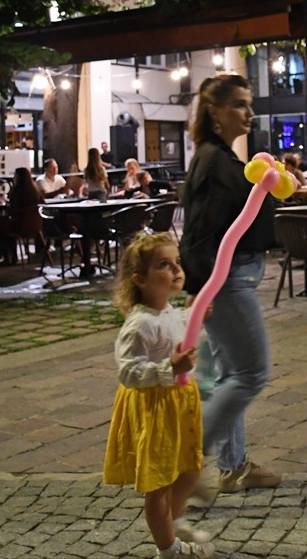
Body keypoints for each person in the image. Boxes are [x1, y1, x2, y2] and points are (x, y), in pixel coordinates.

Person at [179, 73, 281, 494]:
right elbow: (200, 232)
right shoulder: (214, 162)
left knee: (230, 375)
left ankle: (233, 467)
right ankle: (189, 467)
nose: (249, 112)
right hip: (227, 280)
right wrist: (203, 291)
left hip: (231, 277)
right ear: (214, 111)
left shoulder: (218, 157)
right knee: (252, 373)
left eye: (248, 103)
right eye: (239, 104)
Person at [103, 233, 213, 559]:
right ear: (140, 280)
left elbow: (175, 327)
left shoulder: (167, 311)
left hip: (180, 400)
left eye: (176, 262)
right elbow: (128, 371)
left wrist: (193, 316)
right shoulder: (139, 324)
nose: (176, 270)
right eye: (164, 265)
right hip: (155, 405)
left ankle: (172, 523)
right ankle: (167, 549)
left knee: (189, 469)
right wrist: (168, 367)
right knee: (159, 484)